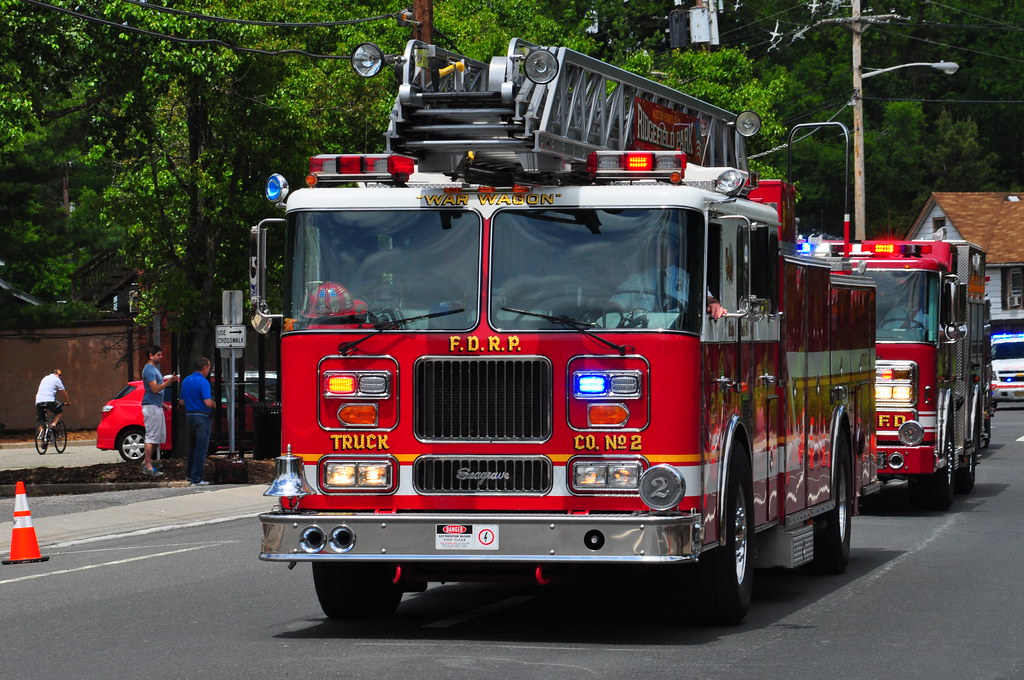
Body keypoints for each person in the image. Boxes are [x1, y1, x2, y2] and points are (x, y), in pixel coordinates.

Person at [141, 345, 178, 477]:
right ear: (151, 355)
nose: (161, 357)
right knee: (151, 436)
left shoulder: (154, 369)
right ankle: (147, 465)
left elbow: (155, 393)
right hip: (150, 407)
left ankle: (148, 460)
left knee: (158, 436)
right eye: (159, 355)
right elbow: (155, 389)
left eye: (161, 355)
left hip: (156, 405)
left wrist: (163, 404)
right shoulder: (149, 370)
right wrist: (169, 381)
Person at [179, 357, 215, 487]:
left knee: (192, 446)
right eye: (209, 367)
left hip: (189, 415)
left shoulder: (186, 380)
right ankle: (196, 478)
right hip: (202, 416)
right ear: (205, 367)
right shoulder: (203, 382)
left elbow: (181, 401)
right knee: (201, 447)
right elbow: (207, 401)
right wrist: (213, 404)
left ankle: (189, 474)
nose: (209, 370)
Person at [34, 369, 70, 436]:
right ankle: (53, 424)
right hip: (49, 400)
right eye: (59, 375)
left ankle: (42, 434)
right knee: (59, 411)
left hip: (39, 400)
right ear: (55, 374)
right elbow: (63, 392)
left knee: (41, 419)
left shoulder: (45, 378)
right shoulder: (56, 379)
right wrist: (67, 401)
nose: (60, 377)